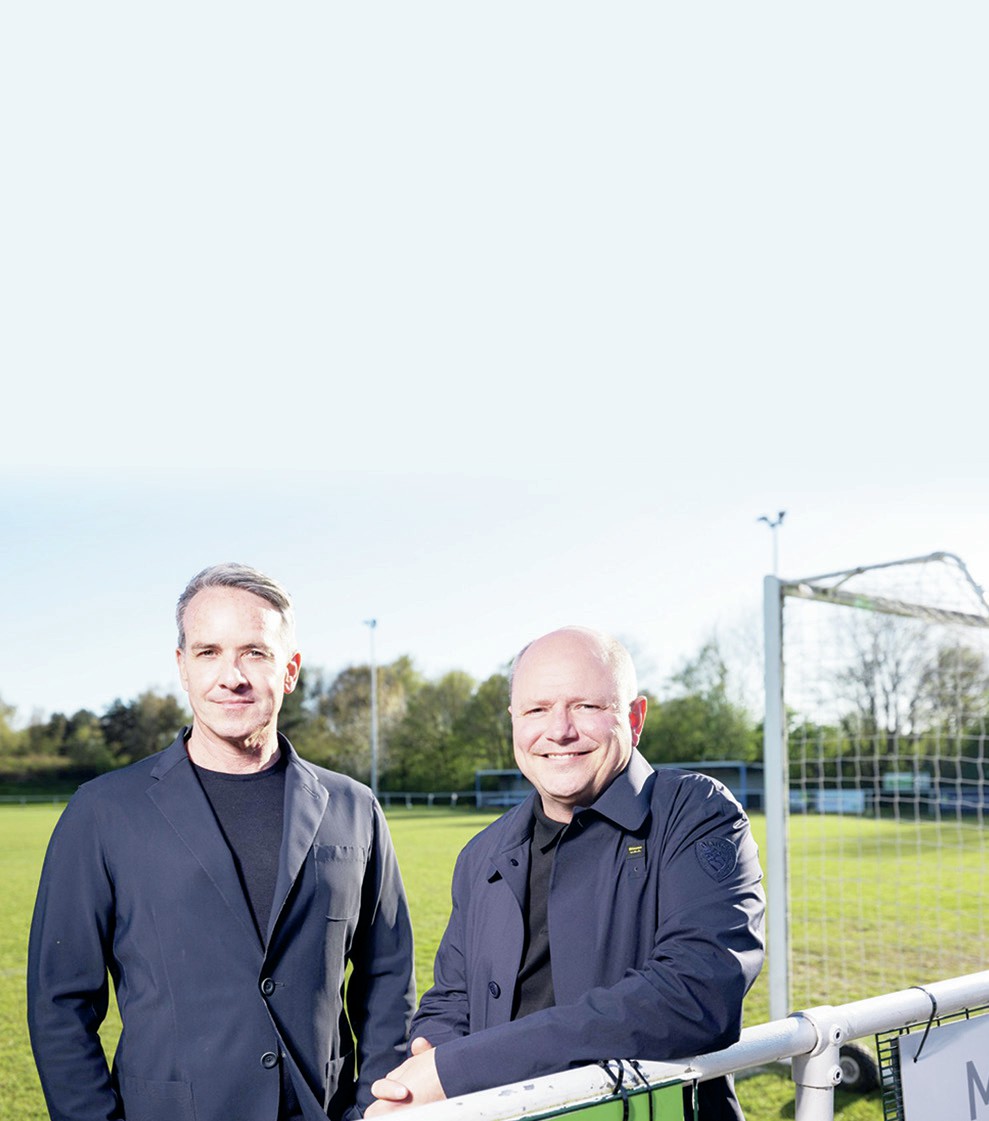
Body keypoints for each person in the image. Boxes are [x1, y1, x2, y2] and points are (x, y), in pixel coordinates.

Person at [27, 563, 416, 1121]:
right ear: (182, 668)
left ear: (290, 671)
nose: (231, 676)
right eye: (208, 652)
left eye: (254, 652)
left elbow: (388, 980)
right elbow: (60, 1003)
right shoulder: (102, 812)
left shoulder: (354, 808)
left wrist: (373, 1108)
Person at [367, 626, 765, 1121]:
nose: (558, 731)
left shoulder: (694, 812)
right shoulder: (482, 853)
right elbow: (450, 998)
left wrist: (460, 1069)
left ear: (635, 717)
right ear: (514, 721)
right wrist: (433, 1054)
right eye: (536, 710)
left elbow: (696, 994)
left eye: (585, 706)